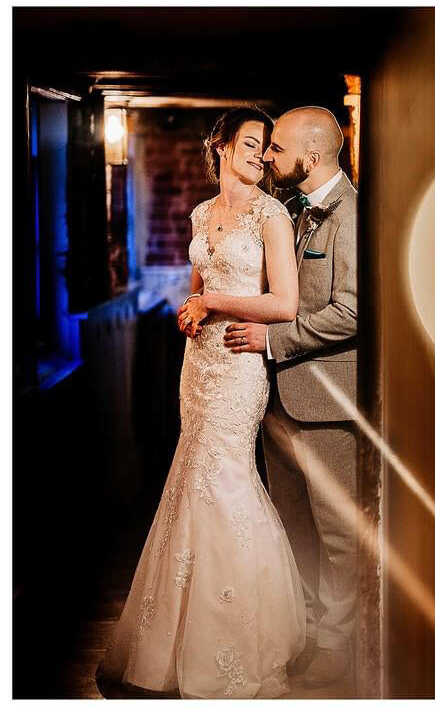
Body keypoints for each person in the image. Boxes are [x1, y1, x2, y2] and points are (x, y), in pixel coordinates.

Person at [97, 106, 306, 698]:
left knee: (226, 484)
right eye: (248, 143)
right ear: (219, 145)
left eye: (264, 146)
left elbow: (284, 303)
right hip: (199, 368)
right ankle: (179, 633)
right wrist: (194, 309)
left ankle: (241, 637)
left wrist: (213, 304)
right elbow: (199, 287)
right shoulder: (199, 213)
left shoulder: (272, 216)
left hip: (239, 369)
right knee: (191, 483)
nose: (259, 155)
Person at [218, 106, 360, 687]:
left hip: (326, 397)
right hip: (276, 397)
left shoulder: (350, 214)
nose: (269, 158)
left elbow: (351, 312)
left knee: (337, 532)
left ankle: (339, 643)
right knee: (290, 524)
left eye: (277, 148)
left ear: (316, 154)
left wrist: (273, 338)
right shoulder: (292, 211)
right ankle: (302, 630)